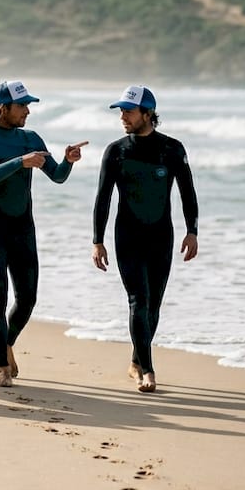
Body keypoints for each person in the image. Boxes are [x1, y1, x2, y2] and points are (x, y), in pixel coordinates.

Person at [0, 80, 87, 387]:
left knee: (28, 298)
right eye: (22, 105)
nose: (28, 111)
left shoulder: (30, 137)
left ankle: (7, 342)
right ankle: (2, 367)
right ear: (3, 108)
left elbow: (57, 176)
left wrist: (68, 162)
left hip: (22, 227)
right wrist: (21, 161)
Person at [91, 85, 199, 393]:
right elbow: (103, 198)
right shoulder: (116, 150)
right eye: (121, 111)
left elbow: (187, 192)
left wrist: (193, 230)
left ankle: (137, 361)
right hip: (127, 234)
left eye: (128, 110)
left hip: (161, 235)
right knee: (138, 300)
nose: (122, 116)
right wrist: (97, 240)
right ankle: (148, 371)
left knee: (154, 306)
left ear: (147, 113)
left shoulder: (172, 149)